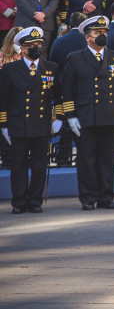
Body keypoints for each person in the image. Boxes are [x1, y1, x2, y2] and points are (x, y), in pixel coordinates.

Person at [61, 15, 114, 210]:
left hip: (110, 115)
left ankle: (106, 197)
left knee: (107, 159)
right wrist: (70, 116)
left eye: (104, 33)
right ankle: (88, 197)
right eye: (97, 33)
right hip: (86, 117)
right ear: (87, 37)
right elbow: (67, 90)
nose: (102, 36)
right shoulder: (75, 57)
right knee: (87, 160)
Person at [0, 27, 59, 213]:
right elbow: (3, 99)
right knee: (18, 165)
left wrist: (60, 118)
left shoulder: (50, 68)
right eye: (31, 45)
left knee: (39, 165)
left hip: (41, 123)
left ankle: (35, 201)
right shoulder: (10, 69)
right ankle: (19, 201)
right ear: (22, 49)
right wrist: (3, 125)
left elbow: (58, 95)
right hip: (18, 125)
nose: (36, 47)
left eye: (39, 44)